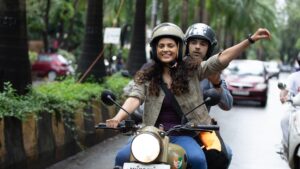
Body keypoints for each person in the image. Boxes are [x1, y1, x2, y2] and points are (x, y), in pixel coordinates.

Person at [106, 22, 271, 169]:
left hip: (182, 134)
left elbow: (220, 59)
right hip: (150, 134)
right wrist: (118, 118)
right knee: (122, 157)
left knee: (197, 159)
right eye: (161, 45)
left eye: (170, 45)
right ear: (155, 49)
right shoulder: (147, 72)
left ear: (179, 48)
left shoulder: (193, 69)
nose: (165, 49)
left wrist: (250, 40)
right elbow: (135, 97)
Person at [184, 23, 234, 166]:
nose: (197, 47)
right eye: (193, 42)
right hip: (171, 126)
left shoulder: (213, 73)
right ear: (186, 45)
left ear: (209, 48)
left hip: (201, 128)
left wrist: (217, 84)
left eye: (203, 43)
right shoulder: (174, 68)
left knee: (226, 153)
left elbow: (227, 105)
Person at [279, 54, 300, 155]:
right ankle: (287, 147)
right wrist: (283, 97)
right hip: (296, 108)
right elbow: (285, 90)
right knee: (284, 120)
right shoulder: (293, 77)